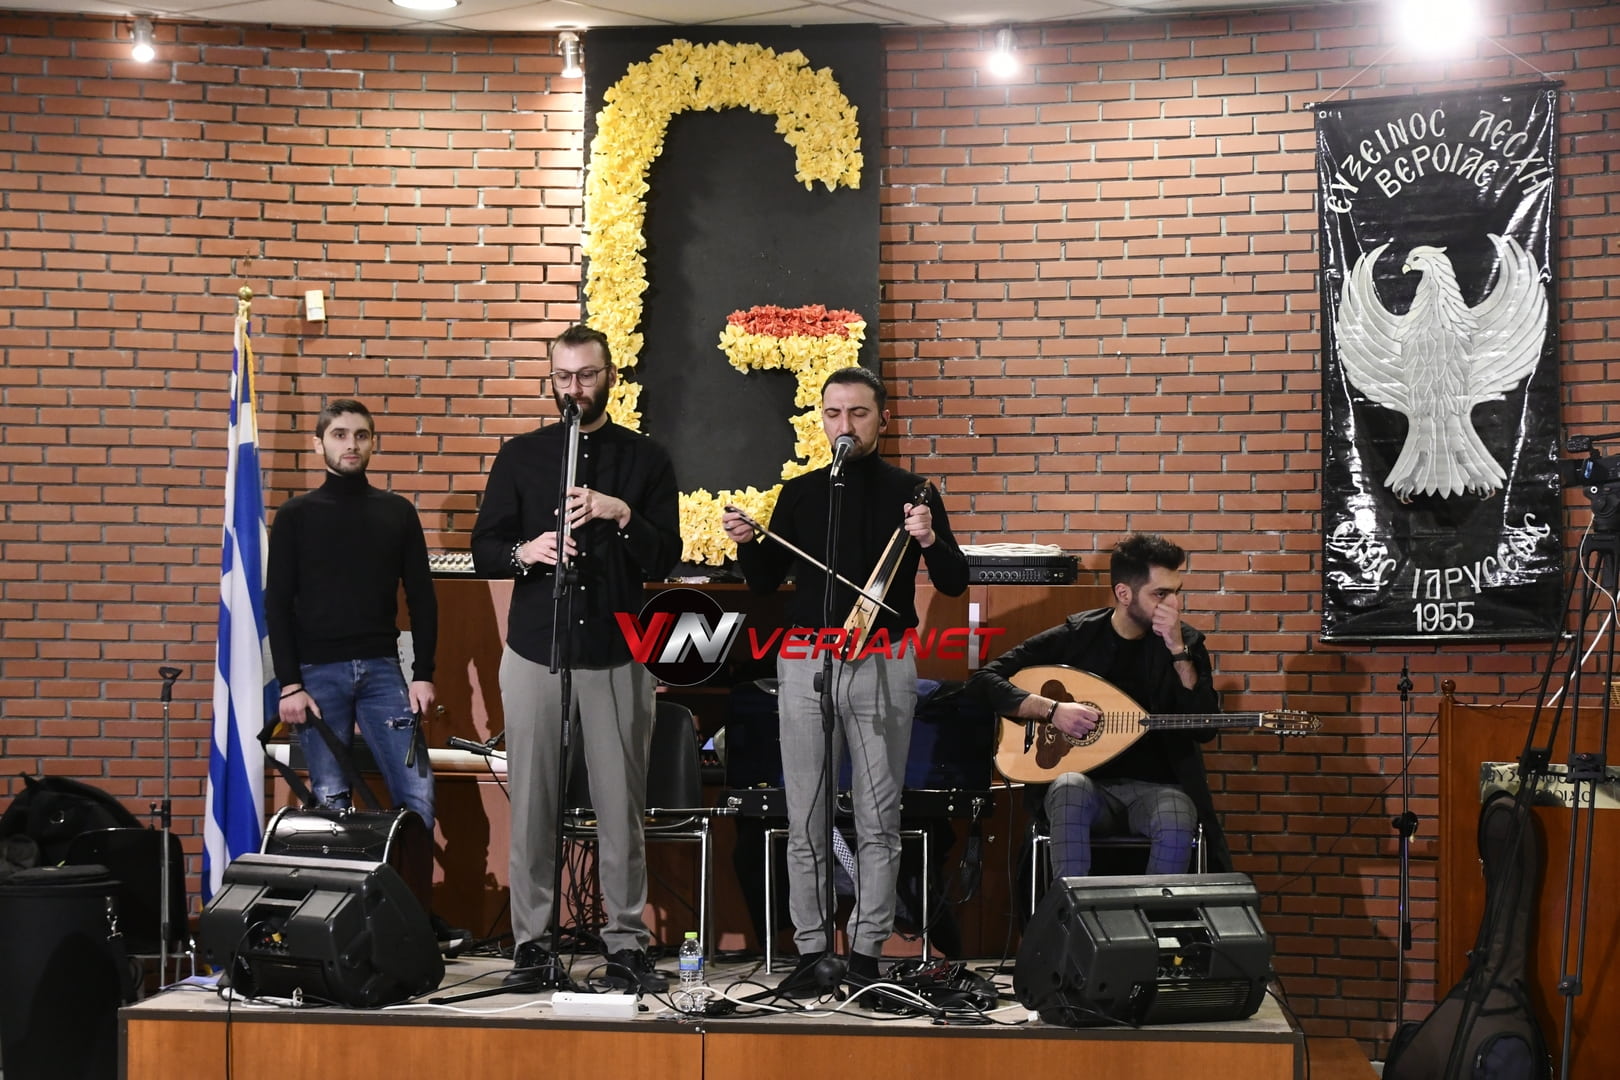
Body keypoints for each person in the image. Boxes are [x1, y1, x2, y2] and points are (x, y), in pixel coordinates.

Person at [721, 366, 968, 996]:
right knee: (805, 815)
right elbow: (763, 582)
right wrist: (747, 540)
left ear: (882, 419)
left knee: (878, 817)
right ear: (821, 420)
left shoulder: (912, 492)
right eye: (833, 414)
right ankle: (811, 953)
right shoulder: (801, 493)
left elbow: (953, 580)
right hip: (807, 661)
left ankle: (864, 954)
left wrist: (929, 537)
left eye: (858, 414)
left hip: (882, 660)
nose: (845, 426)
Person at [471, 323, 681, 994]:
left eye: (586, 375)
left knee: (621, 808)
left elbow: (666, 554)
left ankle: (625, 943)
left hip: (617, 650)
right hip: (538, 648)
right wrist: (524, 552)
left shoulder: (646, 458)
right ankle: (532, 946)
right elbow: (484, 547)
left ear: (610, 376)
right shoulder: (522, 455)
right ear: (551, 381)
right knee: (533, 806)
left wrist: (622, 514)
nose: (574, 389)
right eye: (563, 377)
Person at [967, 533, 1232, 882]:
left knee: (1177, 812)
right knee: (1069, 789)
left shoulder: (1187, 644)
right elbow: (984, 681)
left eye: (1176, 592)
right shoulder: (1078, 636)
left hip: (1157, 789)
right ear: (1124, 593)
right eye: (1160, 594)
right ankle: (1073, 911)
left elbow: (1205, 728)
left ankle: (1152, 912)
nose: (1173, 605)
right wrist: (1051, 710)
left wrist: (1178, 653)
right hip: (1087, 789)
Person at [266, 398, 440, 840]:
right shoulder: (295, 516)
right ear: (318, 444)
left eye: (361, 436)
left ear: (372, 443)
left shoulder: (397, 512)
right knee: (330, 802)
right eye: (339, 435)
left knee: (418, 798)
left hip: (383, 670)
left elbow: (422, 598)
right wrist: (289, 684)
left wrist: (423, 674)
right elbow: (277, 604)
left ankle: (407, 887)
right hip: (317, 674)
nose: (351, 445)